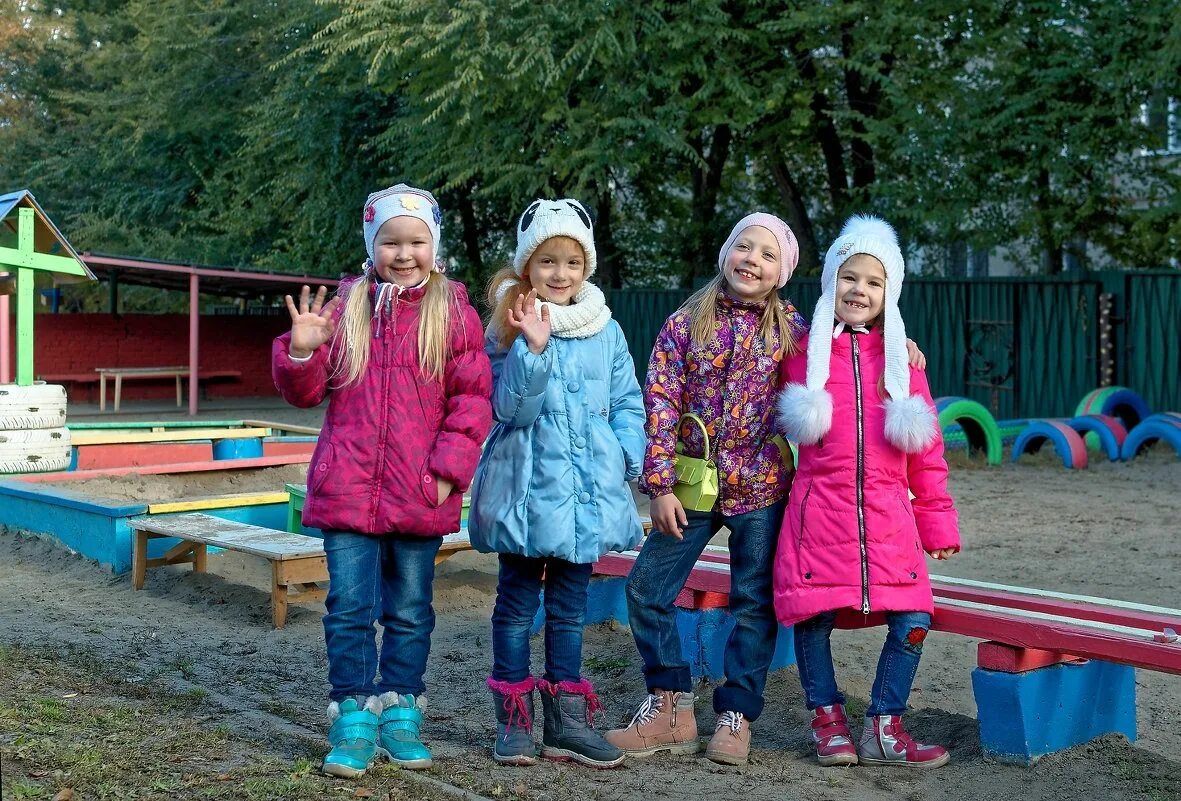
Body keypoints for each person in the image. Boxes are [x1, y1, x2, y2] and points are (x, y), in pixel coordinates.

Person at [272, 183, 492, 778]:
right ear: (373, 245)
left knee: (412, 609)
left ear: (433, 245)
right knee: (348, 607)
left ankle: (401, 708)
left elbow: (471, 402)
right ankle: (352, 712)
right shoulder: (344, 311)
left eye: (416, 241)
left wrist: (448, 473)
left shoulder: (455, 314)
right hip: (348, 490)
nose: (403, 253)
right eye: (390, 241)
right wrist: (301, 352)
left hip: (421, 491)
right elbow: (305, 394)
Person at [606, 213, 808, 766]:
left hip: (761, 489)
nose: (752, 260)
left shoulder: (793, 330)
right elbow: (661, 403)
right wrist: (661, 485)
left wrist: (899, 346)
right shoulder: (685, 322)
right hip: (691, 488)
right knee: (646, 587)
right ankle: (669, 707)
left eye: (768, 255)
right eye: (744, 247)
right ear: (725, 254)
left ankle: (736, 715)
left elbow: (840, 364)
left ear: (781, 273)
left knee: (752, 603)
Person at [775, 214, 960, 769]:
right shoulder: (797, 353)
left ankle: (885, 724)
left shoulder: (904, 364)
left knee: (914, 617)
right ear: (831, 280)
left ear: (890, 294)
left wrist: (938, 525)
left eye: (874, 282)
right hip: (817, 515)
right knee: (813, 618)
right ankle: (827, 722)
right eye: (850, 277)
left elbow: (927, 456)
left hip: (888, 518)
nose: (859, 290)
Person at [468, 198, 646, 769]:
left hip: (584, 496)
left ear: (586, 267)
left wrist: (625, 454)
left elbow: (626, 401)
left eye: (572, 262)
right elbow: (509, 409)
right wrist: (533, 350)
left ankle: (567, 720)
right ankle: (515, 721)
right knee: (517, 607)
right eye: (548, 261)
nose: (560, 274)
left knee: (570, 610)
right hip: (526, 491)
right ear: (528, 266)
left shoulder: (606, 329)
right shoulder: (508, 324)